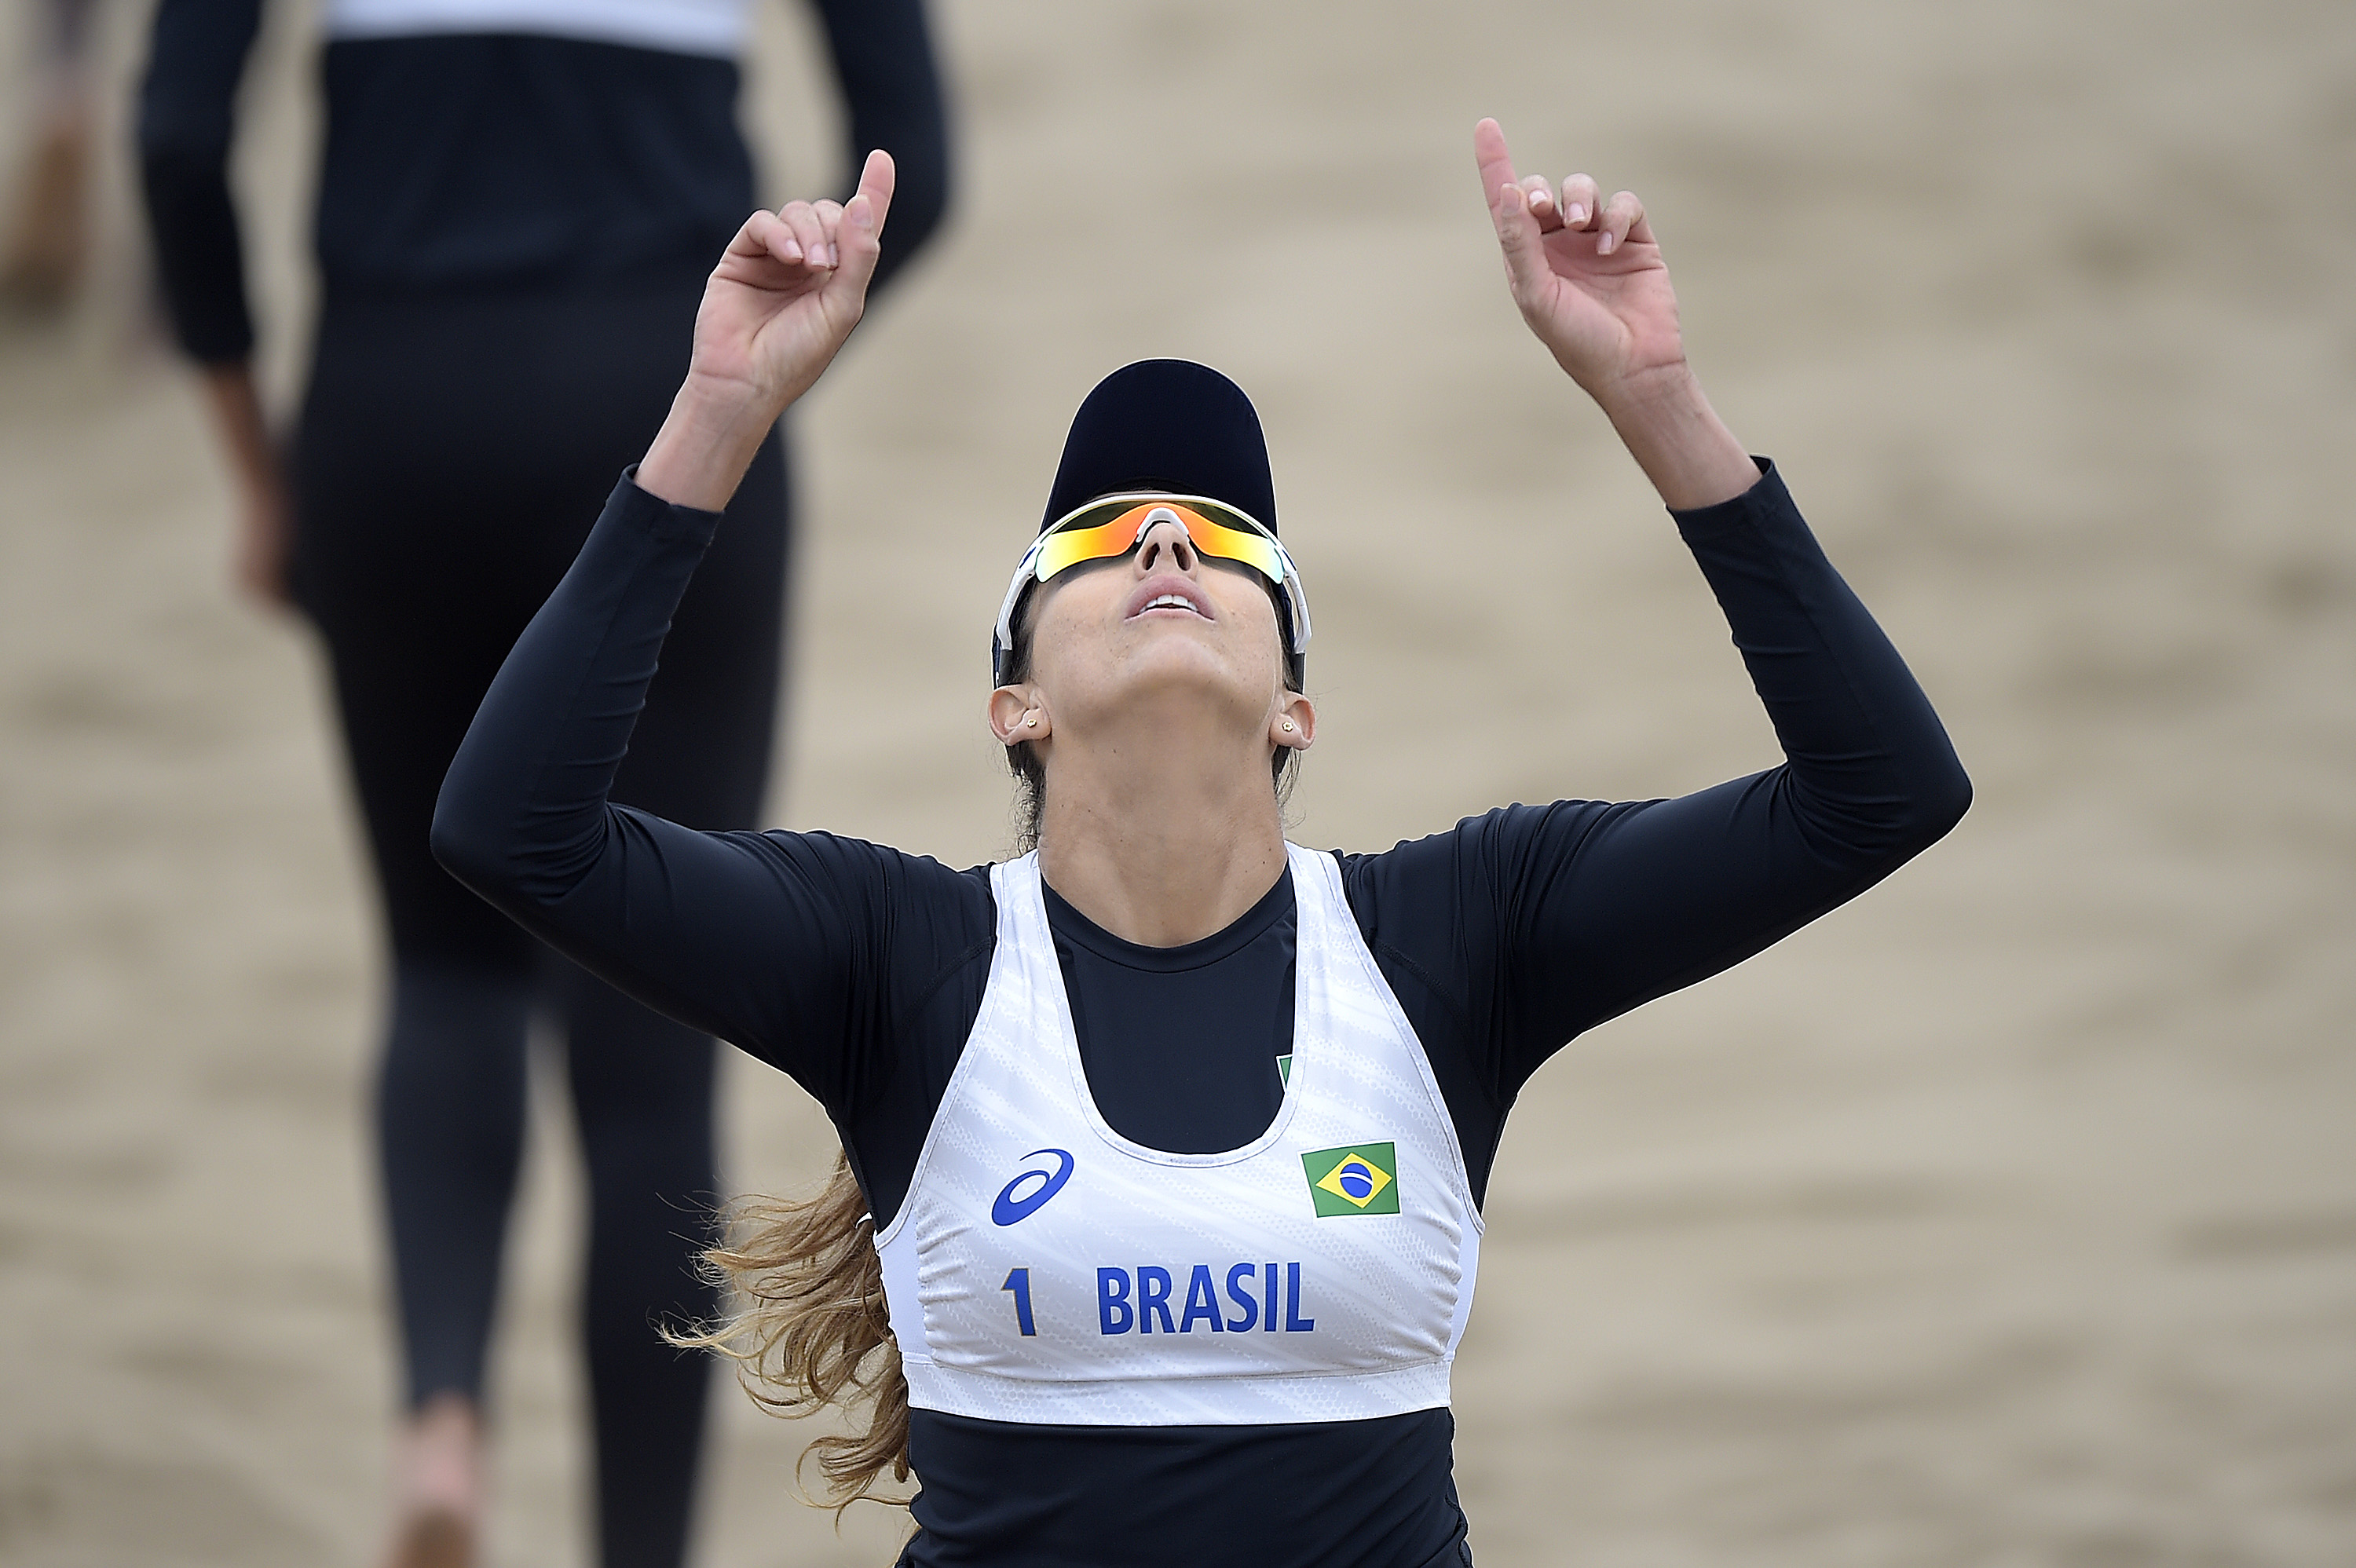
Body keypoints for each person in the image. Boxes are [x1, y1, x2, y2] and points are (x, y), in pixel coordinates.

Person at [433, 122, 1971, 1567]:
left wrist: (1659, 402)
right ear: (1012, 701)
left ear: (1296, 706)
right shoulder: (898, 959)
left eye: (1228, 544)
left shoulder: (1460, 936)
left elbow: (1879, 792)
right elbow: (515, 830)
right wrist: (720, 413)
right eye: (1099, 541)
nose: (1168, 542)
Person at [134, 5, 949, 1566]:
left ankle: (441, 1418)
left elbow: (177, 136)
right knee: (648, 1041)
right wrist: (762, 385)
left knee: (441, 966)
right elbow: (922, 152)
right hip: (661, 365)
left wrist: (255, 455)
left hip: (390, 398)